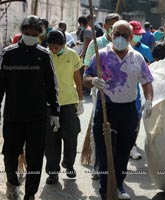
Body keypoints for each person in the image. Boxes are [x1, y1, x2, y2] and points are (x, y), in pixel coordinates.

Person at [83, 20, 154, 200]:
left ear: (131, 37)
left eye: (124, 35)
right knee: (105, 152)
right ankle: (105, 190)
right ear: (111, 34)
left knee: (123, 152)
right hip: (106, 108)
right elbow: (86, 76)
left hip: (128, 111)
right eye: (117, 34)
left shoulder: (137, 57)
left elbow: (147, 82)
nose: (120, 38)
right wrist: (93, 81)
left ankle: (120, 185)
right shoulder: (101, 56)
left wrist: (149, 100)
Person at [0, 15, 60, 200]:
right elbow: (0, 84)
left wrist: (55, 112)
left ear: (40, 35)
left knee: (35, 160)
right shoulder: (9, 54)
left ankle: (30, 194)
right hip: (13, 116)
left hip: (36, 117)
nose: (31, 36)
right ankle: (12, 183)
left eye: (35, 34)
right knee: (9, 155)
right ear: (22, 32)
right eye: (27, 33)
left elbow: (52, 86)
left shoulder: (44, 55)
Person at [83, 12, 120, 180]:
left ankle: (114, 165)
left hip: (121, 94)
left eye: (117, 26)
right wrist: (95, 79)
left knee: (117, 130)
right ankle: (97, 165)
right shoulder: (96, 44)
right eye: (111, 26)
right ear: (105, 26)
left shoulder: (126, 44)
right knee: (98, 129)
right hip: (100, 91)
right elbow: (87, 70)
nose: (114, 29)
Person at [44, 29, 84, 184]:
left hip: (68, 103)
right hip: (49, 104)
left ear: (62, 44)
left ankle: (69, 164)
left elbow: (78, 79)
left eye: (57, 47)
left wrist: (80, 101)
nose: (54, 50)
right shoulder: (45, 55)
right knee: (51, 140)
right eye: (51, 47)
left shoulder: (72, 55)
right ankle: (53, 172)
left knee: (71, 136)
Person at [129, 20, 154, 160]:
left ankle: (132, 146)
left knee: (136, 119)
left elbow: (150, 68)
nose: (138, 36)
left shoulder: (144, 49)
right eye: (135, 34)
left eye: (139, 34)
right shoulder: (120, 48)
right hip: (121, 91)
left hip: (138, 91)